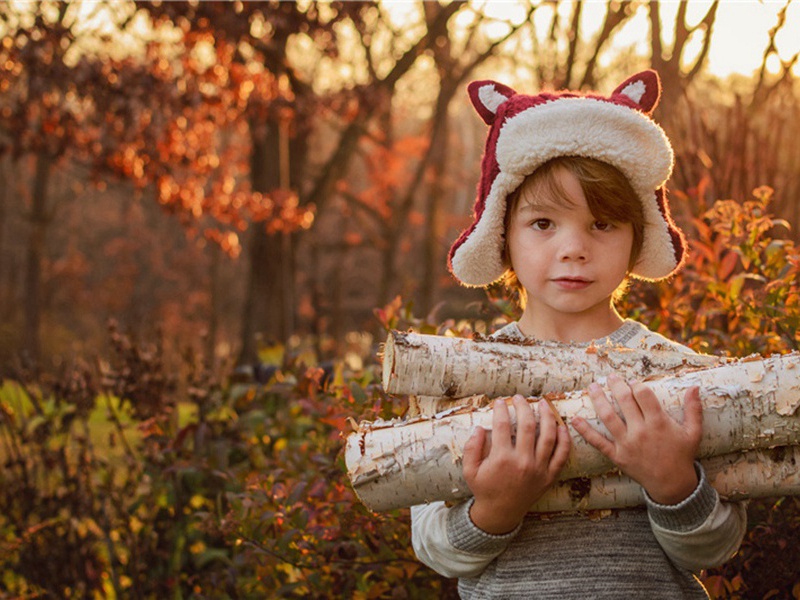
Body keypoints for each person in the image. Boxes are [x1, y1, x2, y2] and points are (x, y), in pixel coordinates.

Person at [411, 70, 747, 599]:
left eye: (603, 224)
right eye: (543, 224)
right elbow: (434, 550)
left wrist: (672, 482)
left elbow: (715, 549)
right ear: (502, 234)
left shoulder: (680, 375)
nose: (574, 248)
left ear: (638, 239)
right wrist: (495, 507)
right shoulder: (457, 381)